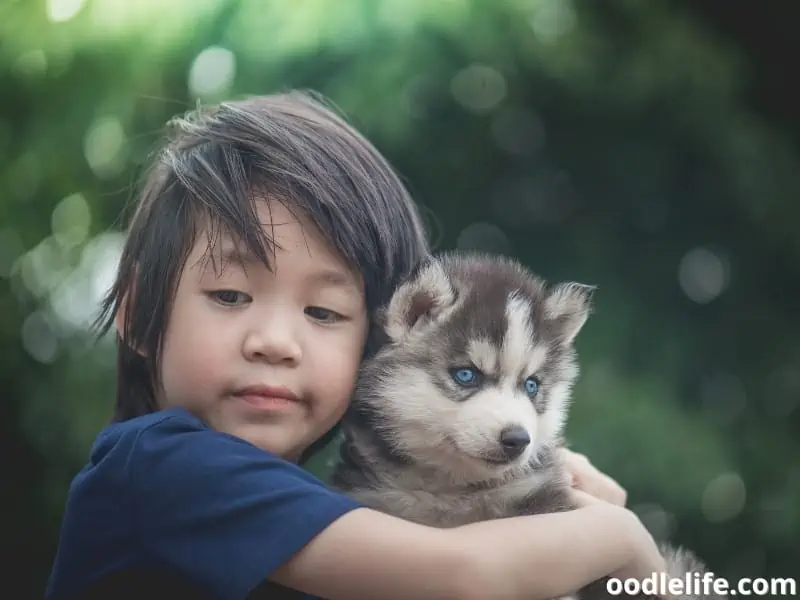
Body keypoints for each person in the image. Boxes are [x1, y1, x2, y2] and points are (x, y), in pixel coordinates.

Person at [44, 90, 669, 600]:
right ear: (136, 313)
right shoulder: (162, 467)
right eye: (231, 296)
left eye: (323, 311)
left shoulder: (310, 510)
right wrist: (624, 541)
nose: (276, 342)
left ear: (376, 346)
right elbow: (464, 575)